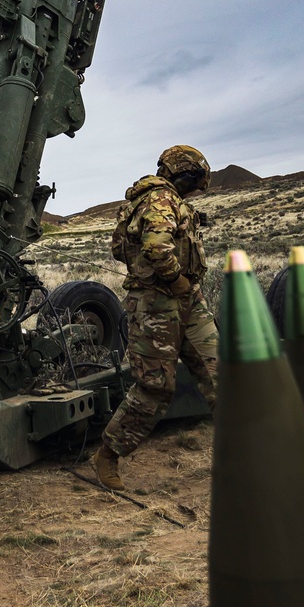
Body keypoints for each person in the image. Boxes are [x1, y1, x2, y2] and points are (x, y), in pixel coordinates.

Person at [94, 145, 217, 491]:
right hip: (157, 305)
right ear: (187, 174)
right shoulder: (161, 200)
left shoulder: (161, 201)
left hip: (188, 300)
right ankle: (108, 455)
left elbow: (123, 248)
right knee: (155, 388)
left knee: (220, 373)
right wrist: (176, 280)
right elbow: (157, 248)